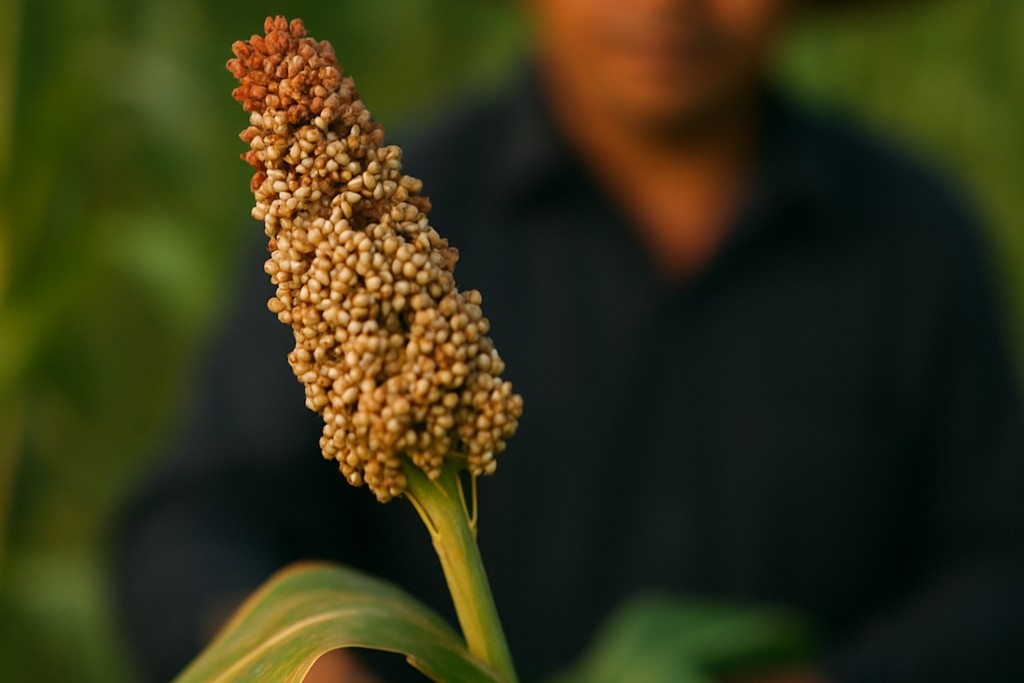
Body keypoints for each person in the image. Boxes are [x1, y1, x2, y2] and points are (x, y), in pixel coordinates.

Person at [114, 1, 1024, 681]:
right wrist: (309, 663)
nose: (662, 8)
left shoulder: (914, 238)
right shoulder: (386, 205)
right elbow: (191, 527)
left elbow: (1000, 569)